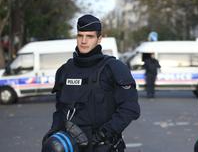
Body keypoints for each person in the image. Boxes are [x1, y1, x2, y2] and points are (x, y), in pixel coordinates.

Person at [42, 14, 140, 152]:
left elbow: (130, 109)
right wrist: (53, 134)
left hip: (103, 146)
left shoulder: (113, 68)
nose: (83, 41)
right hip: (70, 146)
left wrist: (103, 135)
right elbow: (60, 111)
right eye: (80, 35)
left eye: (89, 36)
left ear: (99, 39)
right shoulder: (65, 70)